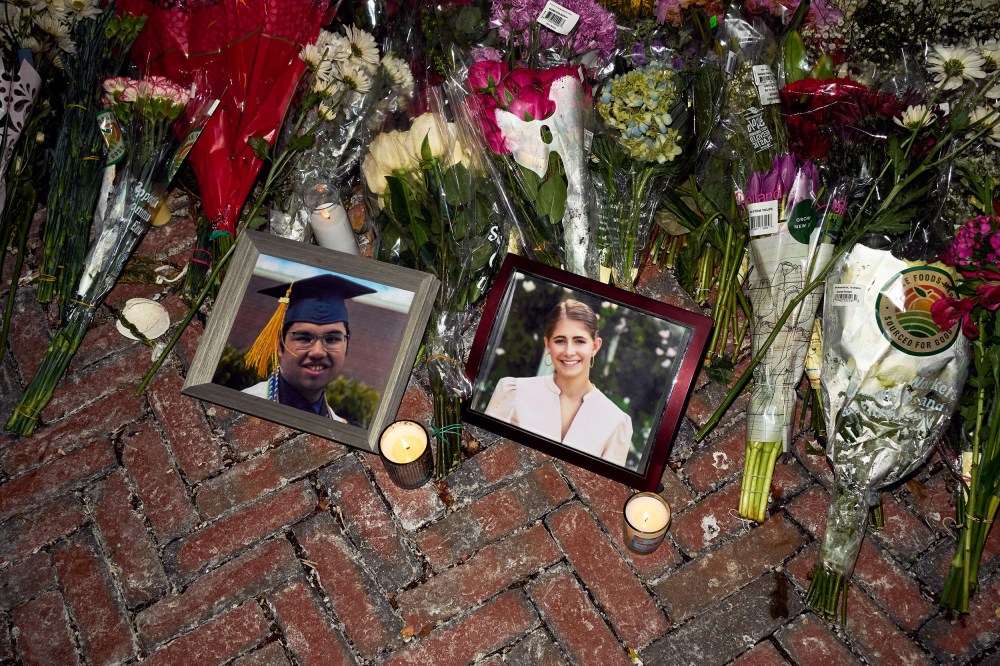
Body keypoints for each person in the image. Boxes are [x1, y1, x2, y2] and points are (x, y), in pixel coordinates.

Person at [485, 299, 633, 466]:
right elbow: (486, 460)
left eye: (579, 341)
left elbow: (606, 487)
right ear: (548, 345)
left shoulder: (615, 421)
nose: (569, 351)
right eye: (560, 341)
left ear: (595, 347)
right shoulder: (513, 392)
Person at [242, 273, 375, 422]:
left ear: (346, 347)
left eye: (331, 339)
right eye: (304, 338)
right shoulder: (242, 409)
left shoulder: (342, 427)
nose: (317, 352)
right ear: (280, 345)